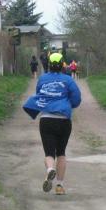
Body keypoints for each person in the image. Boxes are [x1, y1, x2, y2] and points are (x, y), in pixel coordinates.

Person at [22, 52, 82, 195]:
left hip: (46, 120)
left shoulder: (42, 79)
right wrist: (68, 105)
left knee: (49, 153)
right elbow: (77, 99)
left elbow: (40, 95)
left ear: (49, 65)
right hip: (63, 121)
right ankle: (59, 186)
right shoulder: (68, 80)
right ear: (62, 65)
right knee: (61, 153)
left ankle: (50, 169)